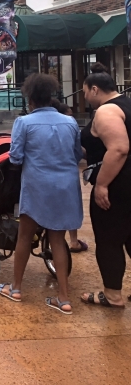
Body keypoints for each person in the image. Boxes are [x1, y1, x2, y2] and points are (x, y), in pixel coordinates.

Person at [0, 73, 82, 315]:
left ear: (30, 100)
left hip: (37, 186)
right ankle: (64, 298)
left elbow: (15, 157)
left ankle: (16, 288)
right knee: (58, 240)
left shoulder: (24, 123)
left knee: (24, 236)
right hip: (65, 187)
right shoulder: (70, 122)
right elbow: (77, 155)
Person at [79, 63, 131, 309]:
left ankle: (112, 294)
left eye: (85, 91)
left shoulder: (106, 111)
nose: (85, 96)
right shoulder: (128, 104)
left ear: (95, 89)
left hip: (118, 184)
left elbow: (119, 148)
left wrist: (101, 184)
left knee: (109, 238)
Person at [51, 98, 88, 254]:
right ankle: (73, 240)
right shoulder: (70, 124)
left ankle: (52, 240)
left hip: (45, 176)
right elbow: (78, 151)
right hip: (67, 173)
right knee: (71, 206)